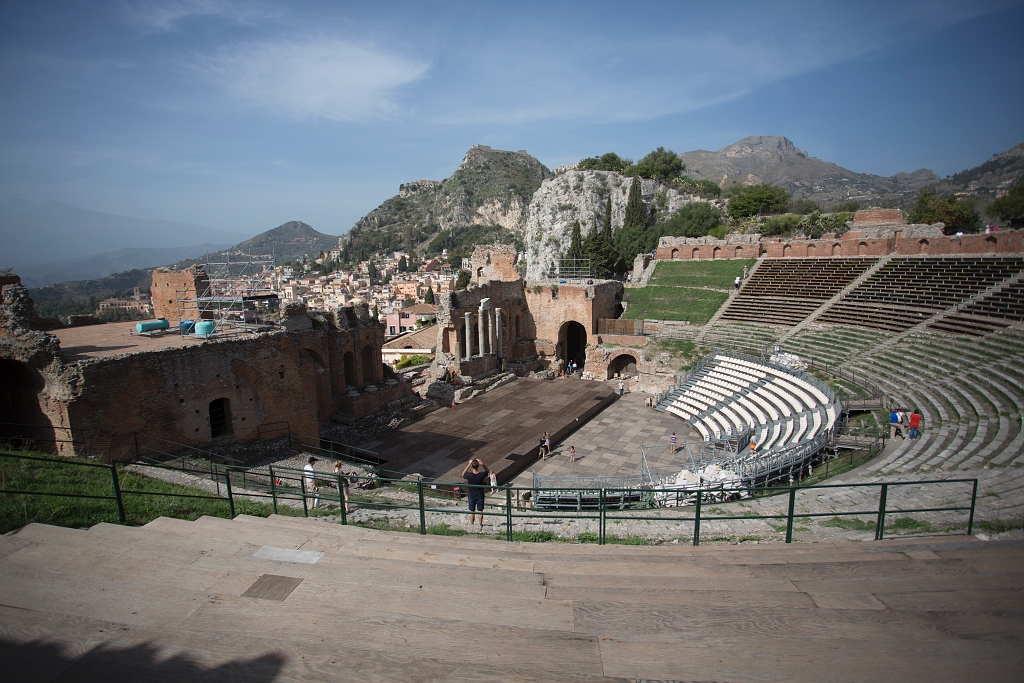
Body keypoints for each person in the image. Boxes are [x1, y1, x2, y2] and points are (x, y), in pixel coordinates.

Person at [461, 458, 490, 528]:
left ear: (472, 466)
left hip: (471, 494)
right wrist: (482, 463)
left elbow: (463, 474)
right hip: (480, 494)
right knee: (480, 510)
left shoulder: (469, 475)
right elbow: (488, 471)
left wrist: (468, 464)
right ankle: (480, 524)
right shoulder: (481, 475)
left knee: (471, 510)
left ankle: (471, 524)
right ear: (478, 466)